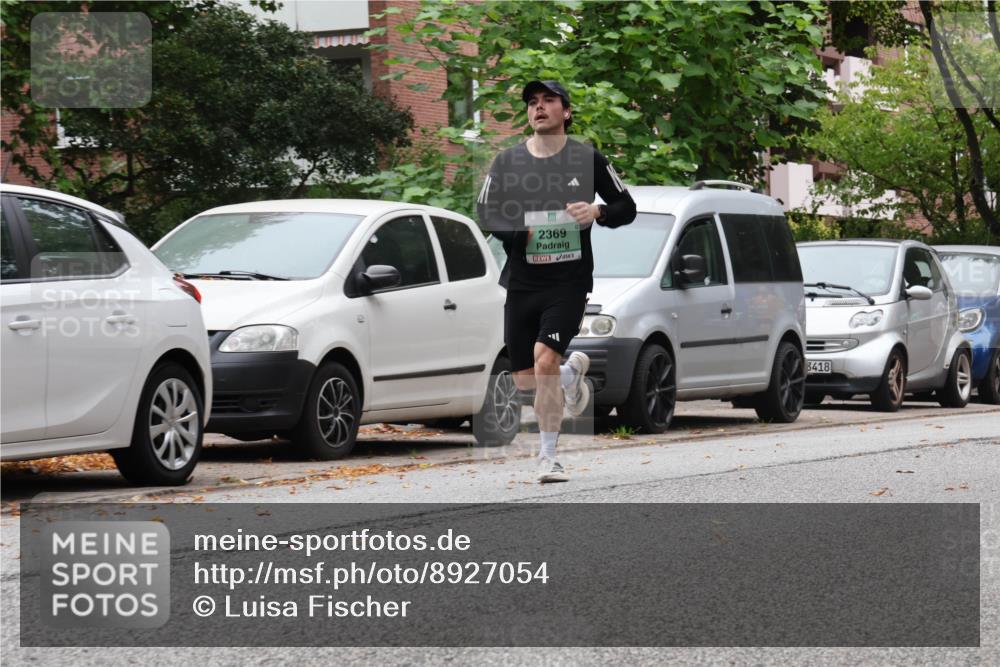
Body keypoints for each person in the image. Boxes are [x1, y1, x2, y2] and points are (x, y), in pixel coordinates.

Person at [477, 79, 637, 483]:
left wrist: (597, 212)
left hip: (569, 281)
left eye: (549, 100)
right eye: (532, 101)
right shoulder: (508, 162)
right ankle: (569, 375)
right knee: (526, 378)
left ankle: (548, 458)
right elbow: (486, 212)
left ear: (566, 111)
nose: (539, 107)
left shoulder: (587, 159)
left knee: (545, 357)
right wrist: (520, 232)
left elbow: (626, 206)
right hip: (522, 281)